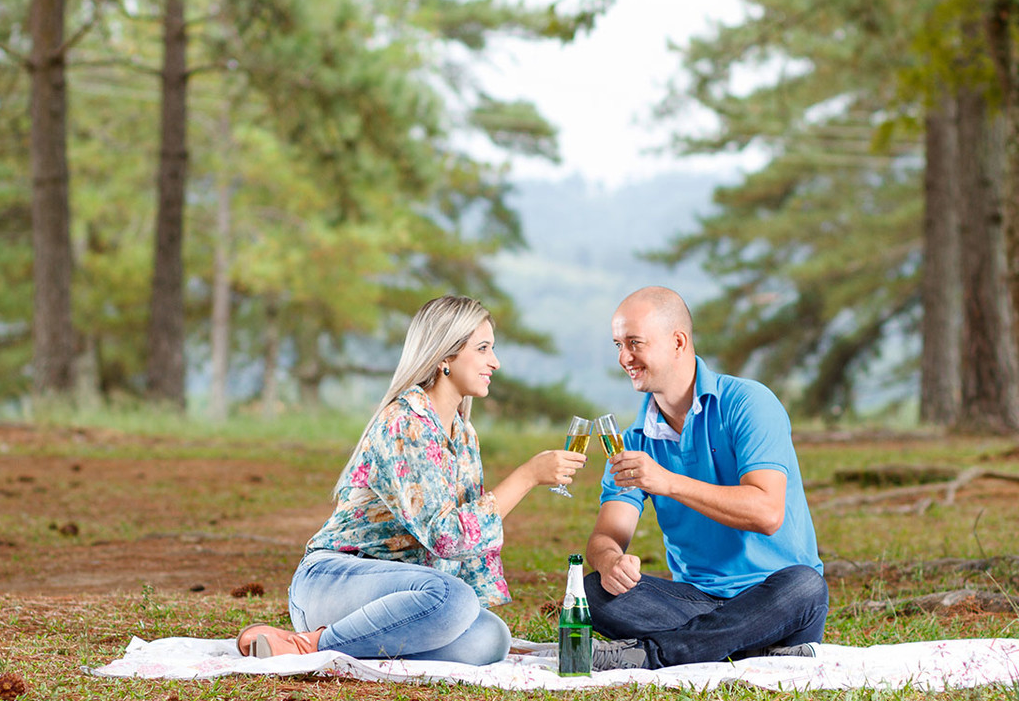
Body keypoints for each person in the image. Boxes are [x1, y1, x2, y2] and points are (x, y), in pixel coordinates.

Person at [236, 295, 587, 666]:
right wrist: (528, 475)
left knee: (490, 637)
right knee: (455, 600)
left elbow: (466, 551)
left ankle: (352, 640)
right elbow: (446, 536)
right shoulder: (405, 422)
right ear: (445, 357)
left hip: (407, 595)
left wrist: (454, 619)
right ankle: (310, 644)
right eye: (482, 349)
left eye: (493, 349)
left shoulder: (464, 436)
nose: (494, 362)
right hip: (333, 581)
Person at [580, 286, 827, 670]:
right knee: (592, 590)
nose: (623, 357)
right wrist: (610, 560)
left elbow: (766, 513)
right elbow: (606, 536)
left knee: (805, 586)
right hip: (694, 602)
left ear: (678, 342)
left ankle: (656, 654)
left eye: (634, 343)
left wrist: (667, 482)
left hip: (774, 597)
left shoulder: (748, 403)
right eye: (617, 344)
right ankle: (747, 649)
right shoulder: (634, 440)